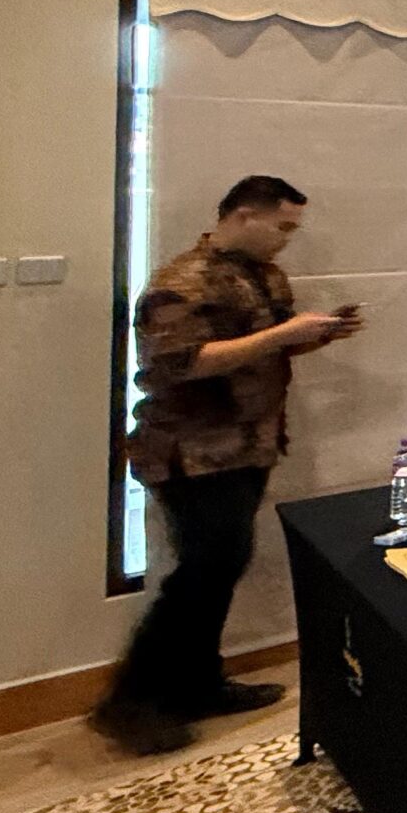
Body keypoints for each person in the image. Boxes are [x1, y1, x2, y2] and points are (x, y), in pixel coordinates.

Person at [96, 175, 364, 754]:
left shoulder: (264, 276)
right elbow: (179, 363)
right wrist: (285, 333)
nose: (287, 239)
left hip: (246, 446)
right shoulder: (181, 281)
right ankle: (129, 702)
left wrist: (315, 335)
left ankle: (198, 684)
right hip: (190, 452)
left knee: (220, 567)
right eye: (282, 227)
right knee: (203, 570)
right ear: (244, 215)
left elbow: (265, 344)